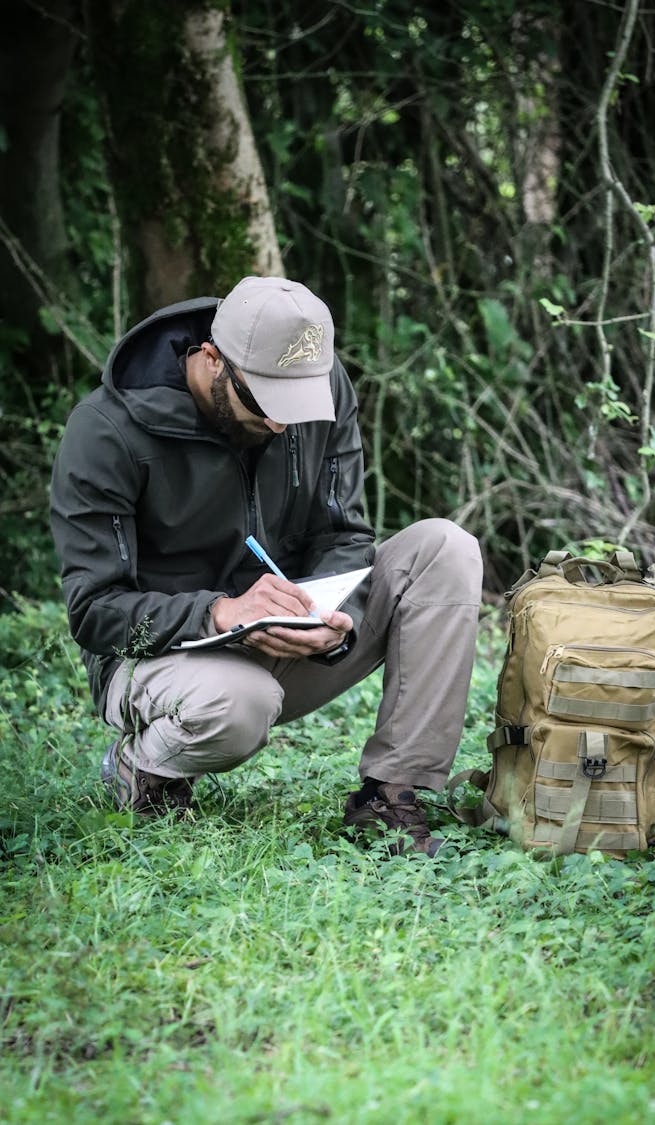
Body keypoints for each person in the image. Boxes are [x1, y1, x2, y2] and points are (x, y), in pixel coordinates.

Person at [50, 276, 483, 856]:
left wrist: (332, 618)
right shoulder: (106, 431)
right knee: (239, 703)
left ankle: (392, 793)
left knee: (445, 549)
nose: (282, 425)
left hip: (281, 636)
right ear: (210, 361)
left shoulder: (322, 390)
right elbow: (94, 611)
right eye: (266, 404)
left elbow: (345, 534)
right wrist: (221, 614)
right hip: (166, 658)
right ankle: (142, 767)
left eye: (296, 406)